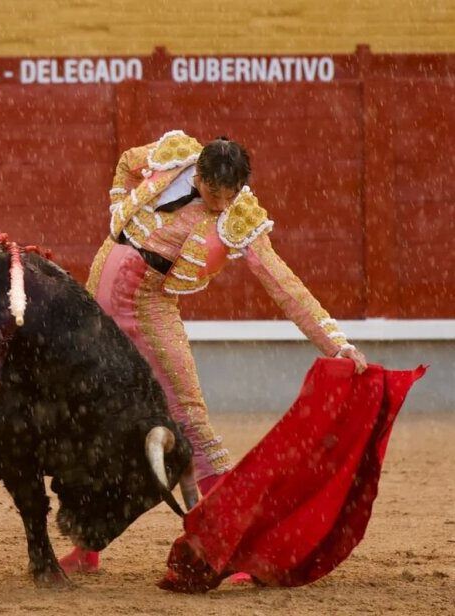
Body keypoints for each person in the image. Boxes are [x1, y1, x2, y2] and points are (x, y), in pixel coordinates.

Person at [59, 130, 369, 574]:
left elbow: (285, 286)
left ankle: (235, 547)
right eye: (212, 194)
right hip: (97, 302)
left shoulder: (239, 217)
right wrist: (115, 203)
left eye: (229, 196)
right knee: (90, 418)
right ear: (198, 173)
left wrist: (336, 343)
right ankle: (88, 548)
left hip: (148, 309)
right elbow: (128, 160)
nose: (220, 205)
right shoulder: (175, 156)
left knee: (191, 421)